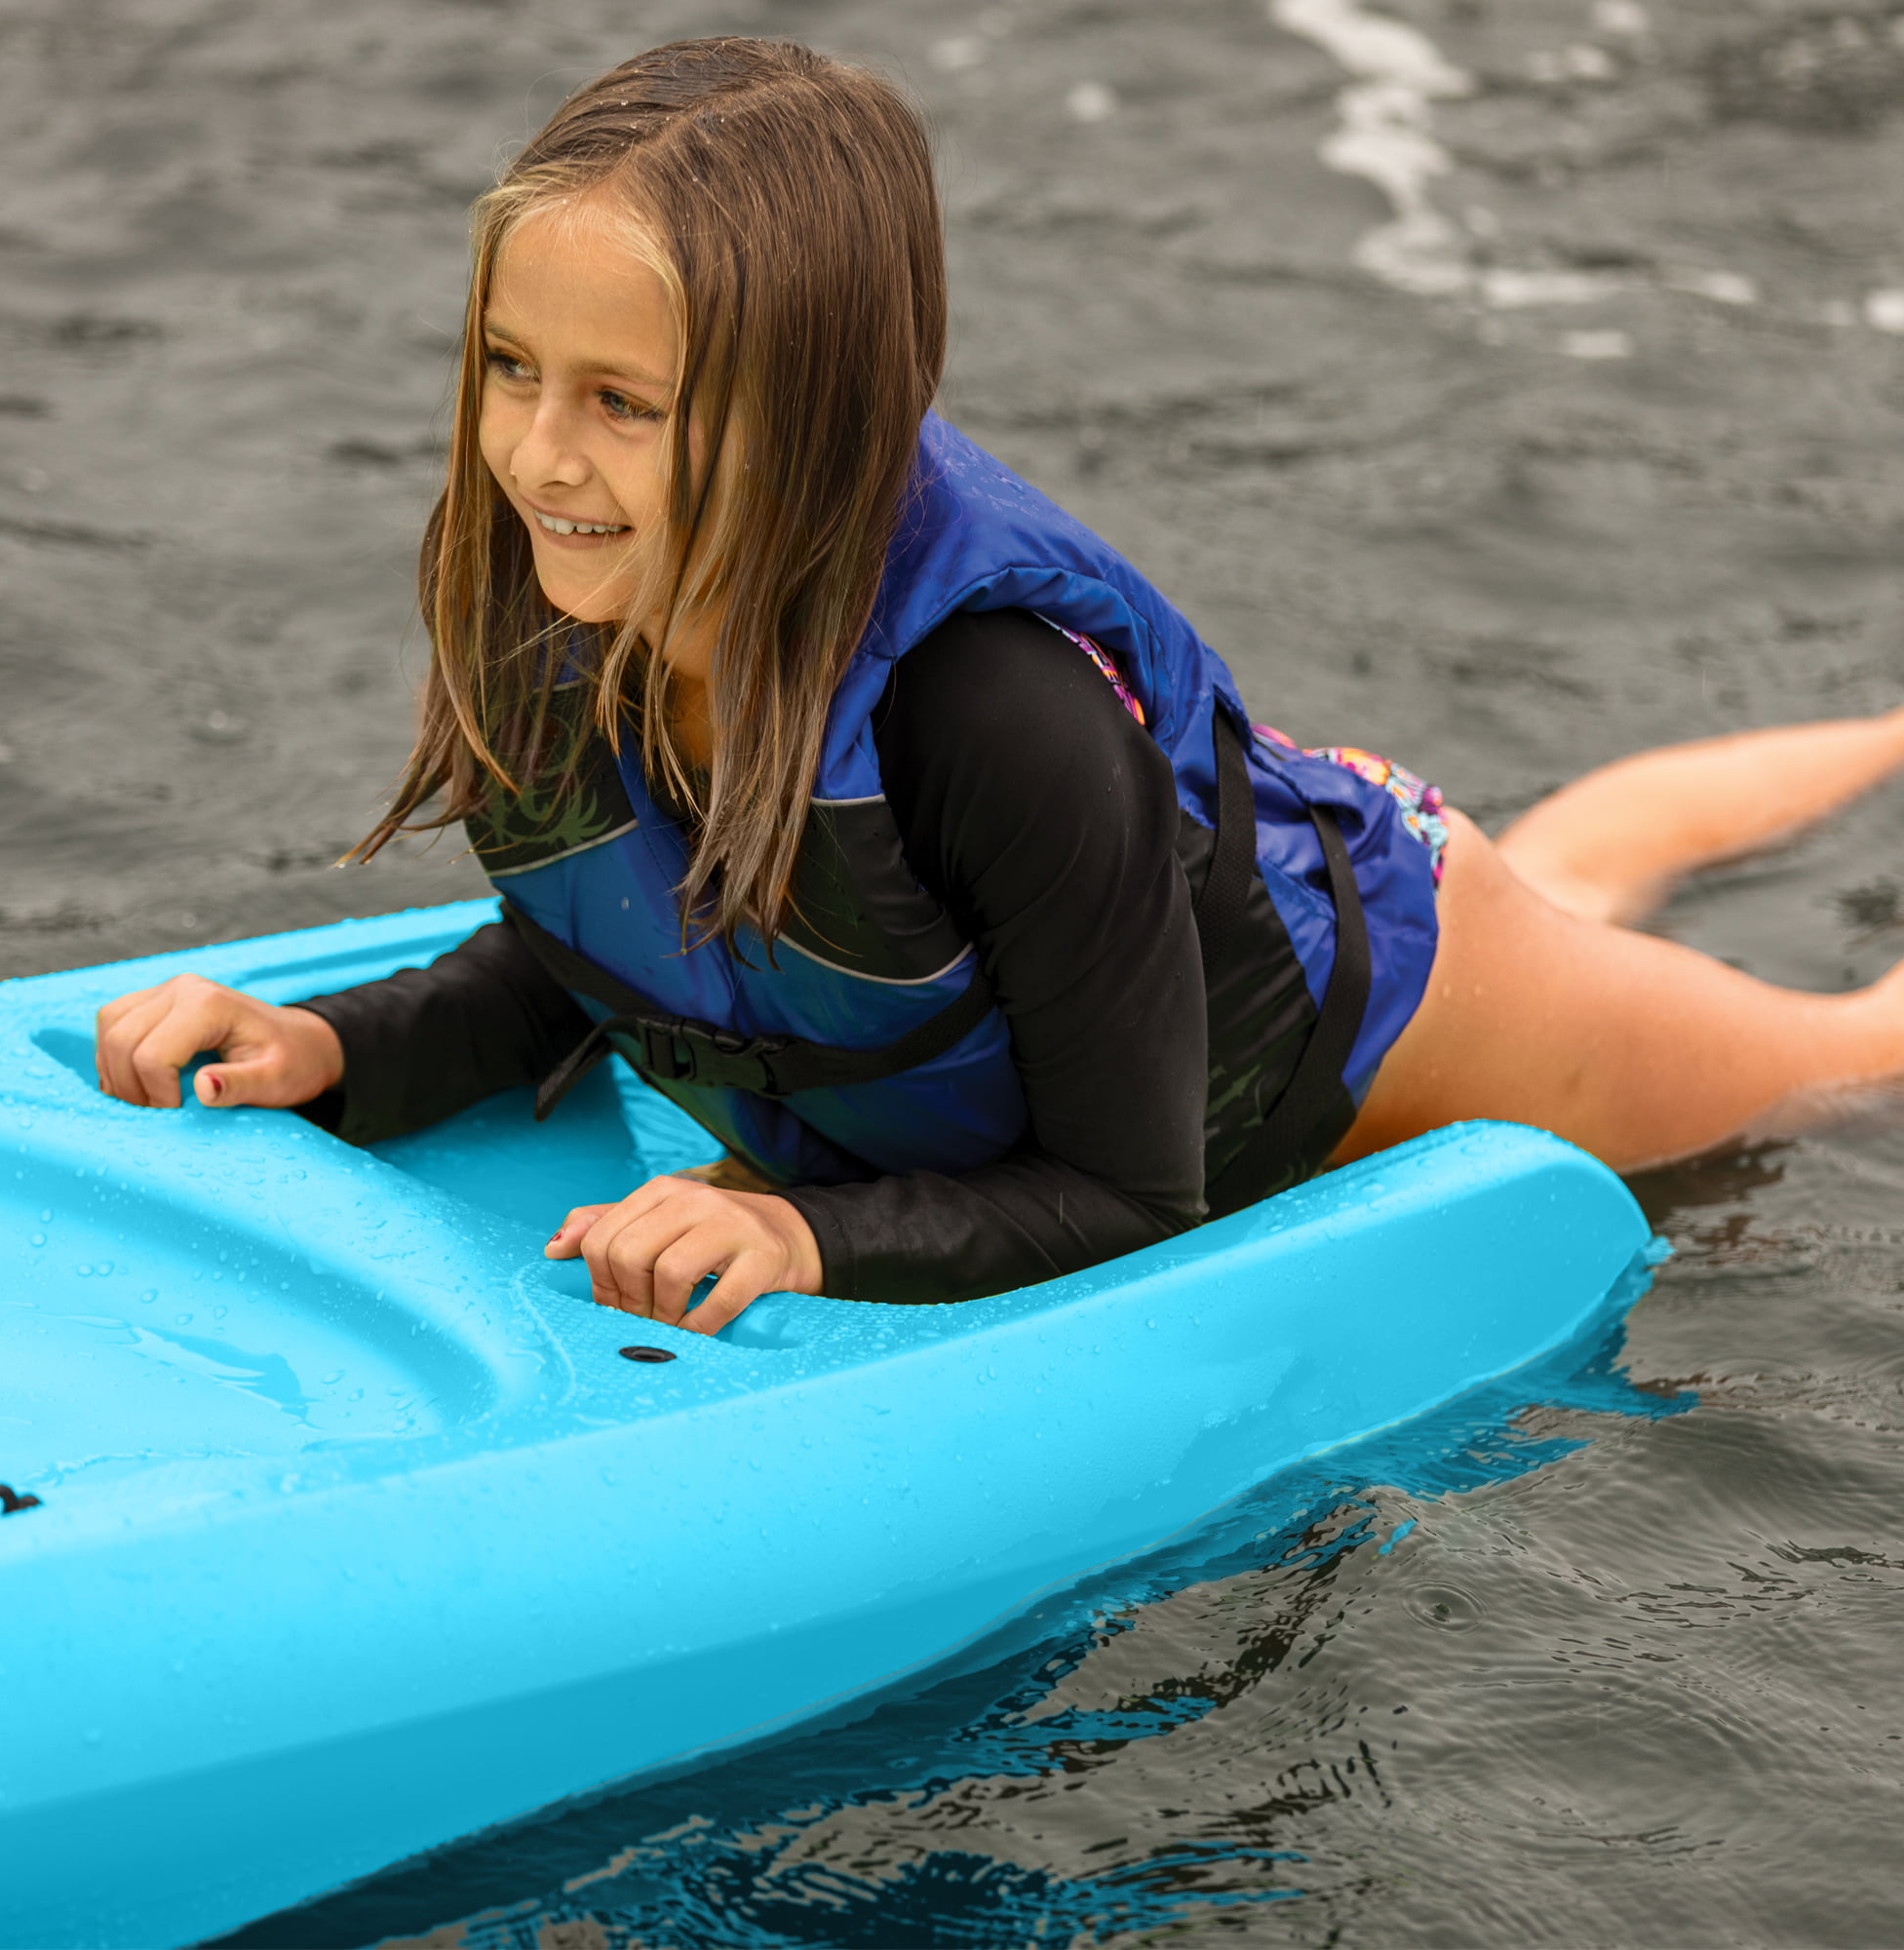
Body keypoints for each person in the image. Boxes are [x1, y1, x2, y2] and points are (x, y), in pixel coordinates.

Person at [94, 38, 1904, 1335]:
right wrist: (342, 1049)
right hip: (1157, 895)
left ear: (808, 425)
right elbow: (624, 943)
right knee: (1603, 874)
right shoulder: (571, 595)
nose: (539, 455)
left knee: (1843, 1061)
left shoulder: (990, 712)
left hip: (1401, 1003)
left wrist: (812, 1239)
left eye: (621, 402)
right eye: (509, 366)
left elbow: (1135, 1195)